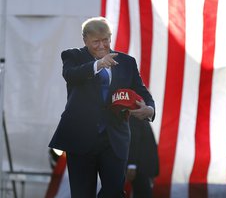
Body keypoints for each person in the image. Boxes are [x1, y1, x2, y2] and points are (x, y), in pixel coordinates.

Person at [48, 16, 155, 198]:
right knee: (82, 194)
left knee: (114, 193)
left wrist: (150, 110)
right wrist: (98, 64)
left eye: (105, 39)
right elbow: (71, 75)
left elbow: (142, 92)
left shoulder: (127, 62)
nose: (102, 45)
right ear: (85, 40)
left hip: (114, 140)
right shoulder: (72, 56)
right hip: (81, 139)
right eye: (96, 41)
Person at [126, 116, 159, 198]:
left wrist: (131, 165)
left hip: (140, 168)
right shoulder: (142, 118)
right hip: (146, 166)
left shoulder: (134, 118)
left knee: (142, 193)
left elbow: (134, 141)